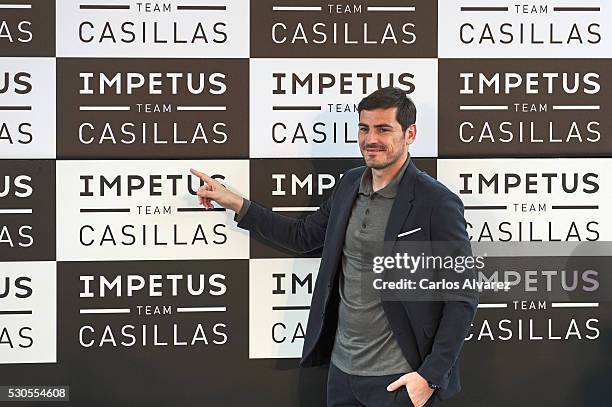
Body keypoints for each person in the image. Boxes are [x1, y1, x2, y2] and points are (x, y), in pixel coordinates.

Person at [190, 86, 478, 407]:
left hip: (399, 379)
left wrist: (430, 378)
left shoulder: (436, 201)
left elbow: (462, 295)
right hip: (342, 373)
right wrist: (235, 202)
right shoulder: (349, 184)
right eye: (364, 128)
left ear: (409, 134)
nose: (371, 139)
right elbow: (302, 236)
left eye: (384, 129)